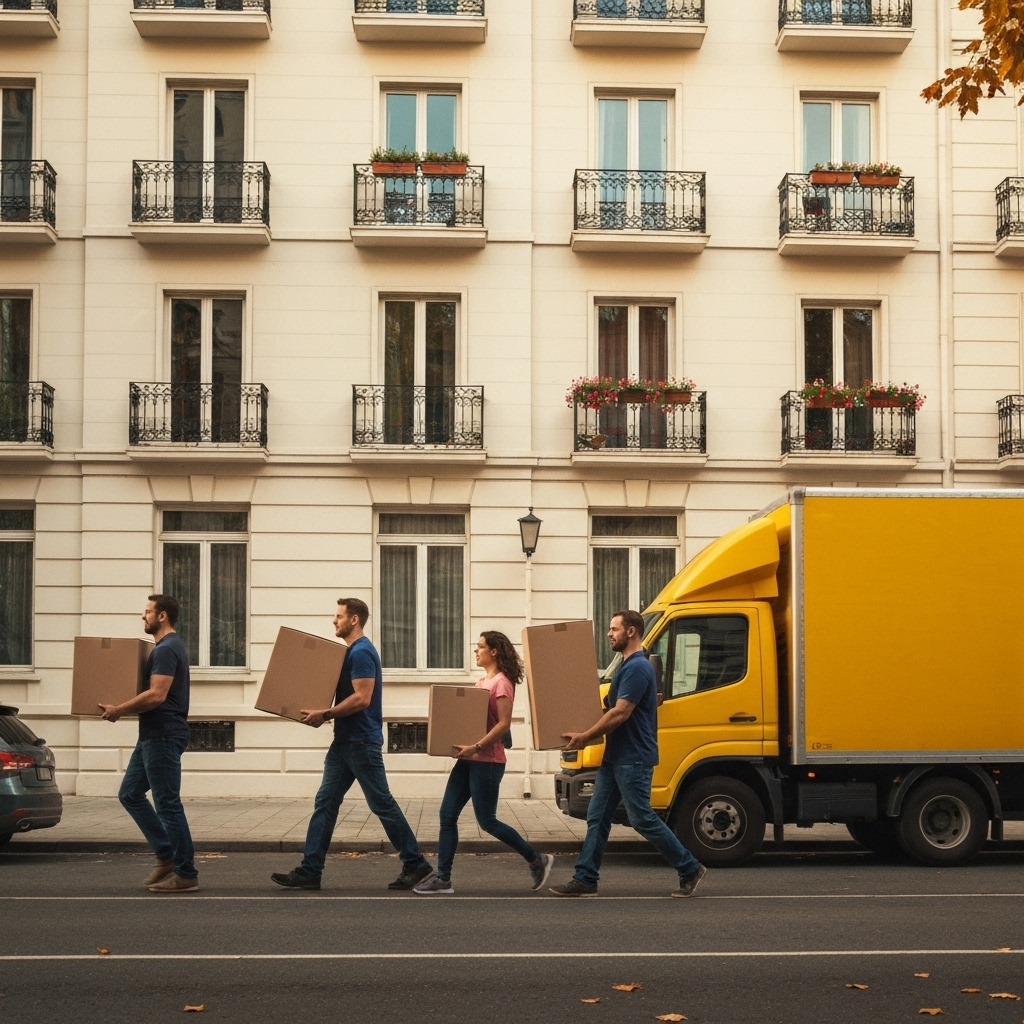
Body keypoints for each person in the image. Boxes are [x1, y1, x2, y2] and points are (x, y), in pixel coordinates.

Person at [271, 598, 434, 892]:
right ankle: (310, 871)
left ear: (354, 619)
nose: (334, 621)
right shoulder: (349, 653)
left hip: (361, 742)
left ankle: (415, 863)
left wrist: (326, 714)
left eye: (339, 616)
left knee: (381, 803)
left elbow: (362, 698)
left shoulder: (361, 652)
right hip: (344, 742)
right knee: (325, 803)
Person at [549, 609, 706, 899]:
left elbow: (621, 712)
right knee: (597, 816)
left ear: (631, 631)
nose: (609, 634)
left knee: (642, 818)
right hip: (616, 757)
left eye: (614, 629)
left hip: (633, 757)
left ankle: (689, 868)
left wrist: (585, 736)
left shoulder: (636, 667)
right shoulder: (627, 666)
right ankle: (586, 879)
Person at [414, 632, 555, 895]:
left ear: (494, 652)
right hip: (469, 759)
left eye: (480, 647)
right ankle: (443, 879)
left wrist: (477, 746)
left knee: (487, 821)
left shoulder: (502, 683)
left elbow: (504, 724)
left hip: (488, 761)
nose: (476, 651)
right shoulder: (481, 682)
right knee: (447, 814)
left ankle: (537, 859)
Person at [100, 594, 198, 894]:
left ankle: (186, 873)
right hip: (152, 735)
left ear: (162, 616)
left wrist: (119, 709)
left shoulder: (166, 649)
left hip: (164, 734)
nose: (143, 617)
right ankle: (166, 856)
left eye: (148, 612)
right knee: (130, 794)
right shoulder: (162, 648)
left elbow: (157, 694)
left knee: (168, 804)